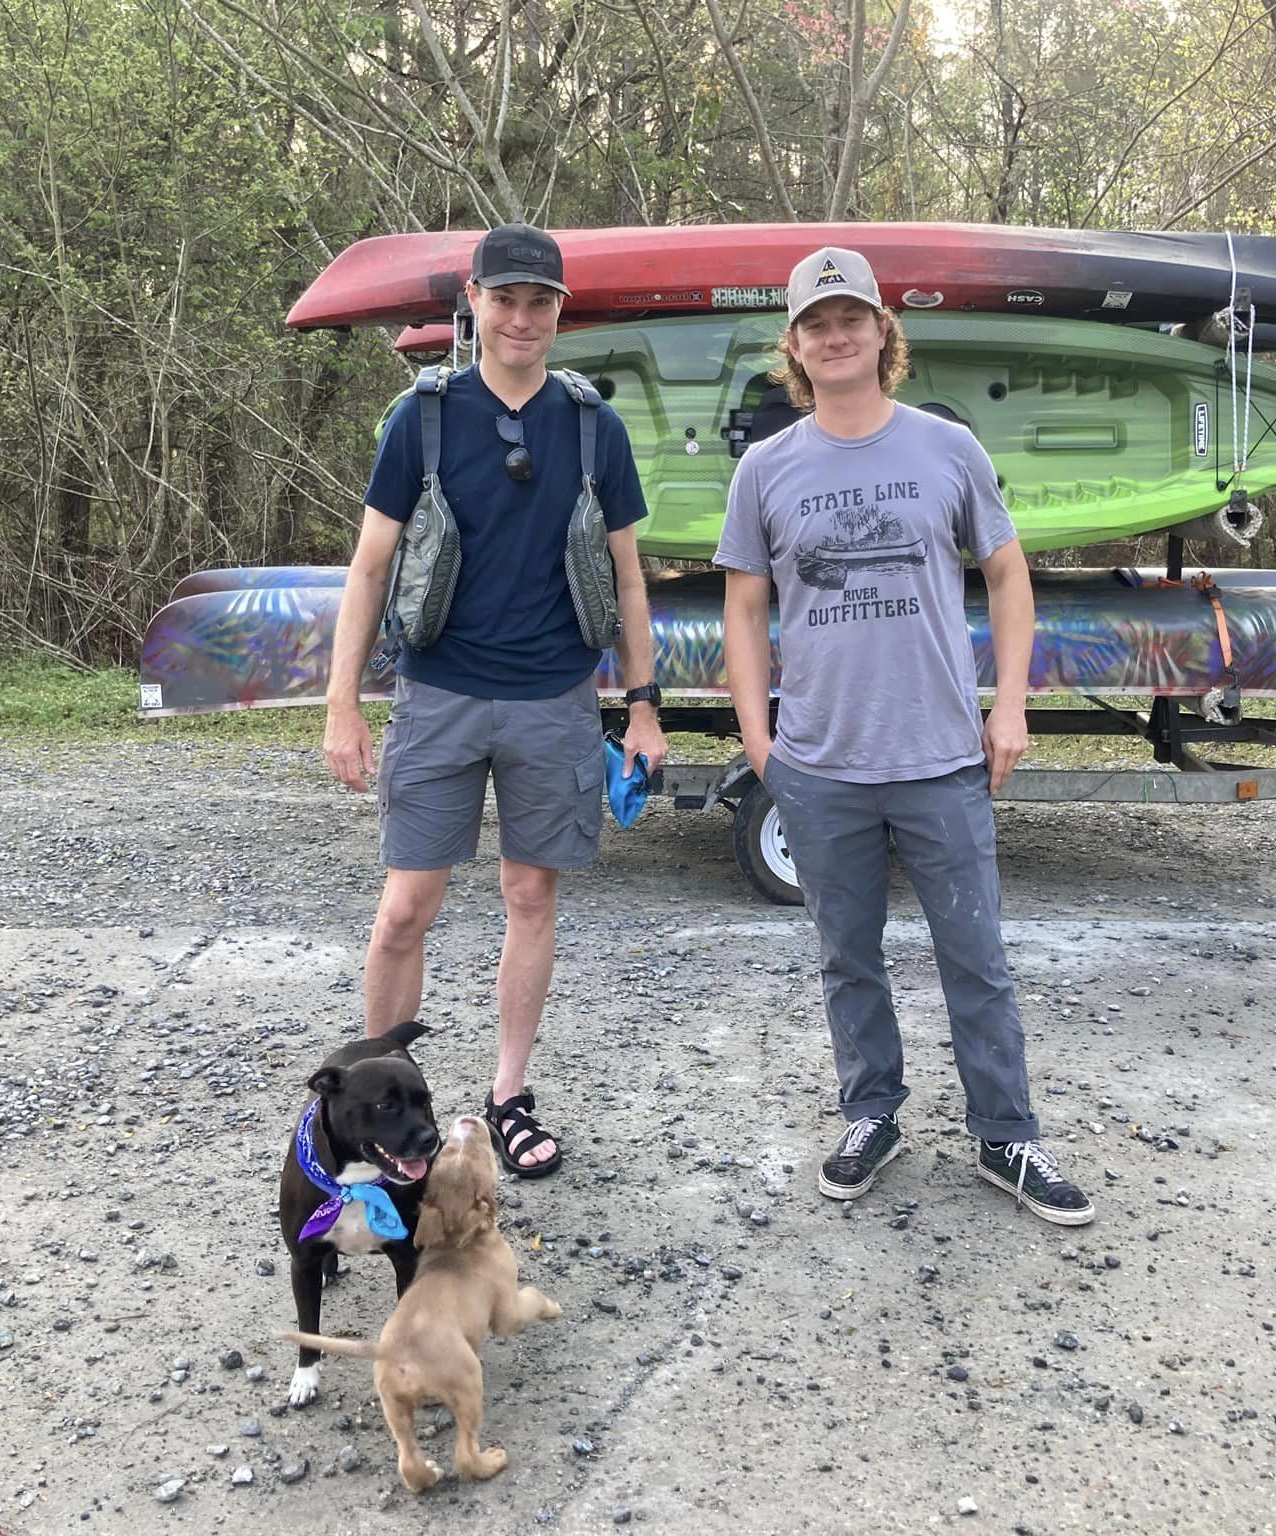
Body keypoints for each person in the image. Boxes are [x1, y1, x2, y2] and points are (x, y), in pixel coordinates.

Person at [714, 246, 1091, 1226]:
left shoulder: (945, 448)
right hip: (820, 765)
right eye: (814, 322)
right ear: (794, 346)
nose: (834, 334)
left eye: (852, 316)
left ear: (883, 331)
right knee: (848, 955)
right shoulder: (764, 467)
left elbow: (1006, 577)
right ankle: (868, 1112)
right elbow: (743, 608)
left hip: (939, 760)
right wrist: (759, 740)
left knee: (975, 957)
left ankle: (1004, 1136)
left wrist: (1007, 706)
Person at [323, 223, 667, 1180]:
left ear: (561, 312)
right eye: (504, 299)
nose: (521, 318)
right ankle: (381, 1106)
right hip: (438, 694)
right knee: (405, 908)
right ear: (472, 301)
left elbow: (629, 580)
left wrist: (641, 707)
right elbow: (369, 569)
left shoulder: (594, 425)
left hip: (555, 698)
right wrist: (341, 704)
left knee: (530, 895)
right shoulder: (421, 420)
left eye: (540, 302)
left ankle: (507, 1097)